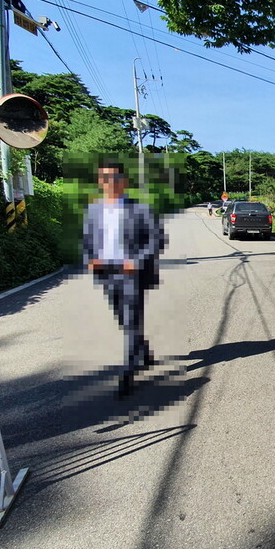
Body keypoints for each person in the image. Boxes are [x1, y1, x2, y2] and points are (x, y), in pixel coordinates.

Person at [82, 160, 165, 397]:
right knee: (123, 319)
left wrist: (136, 261)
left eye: (112, 178)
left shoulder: (140, 209)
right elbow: (87, 241)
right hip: (106, 273)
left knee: (130, 320)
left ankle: (128, 372)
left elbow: (157, 240)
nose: (108, 183)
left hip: (131, 274)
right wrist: (89, 259)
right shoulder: (94, 210)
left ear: (123, 181)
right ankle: (144, 350)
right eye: (103, 178)